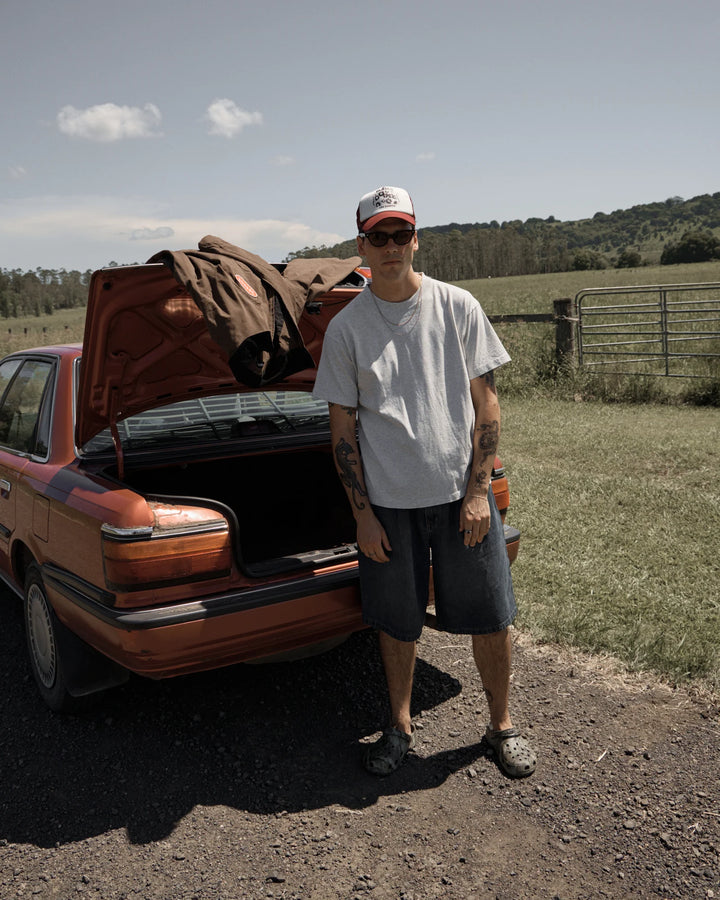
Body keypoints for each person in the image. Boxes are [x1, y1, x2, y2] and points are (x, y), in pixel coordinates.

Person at [312, 186, 536, 778]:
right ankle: (400, 728)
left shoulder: (457, 306)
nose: (391, 247)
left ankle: (501, 727)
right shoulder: (347, 329)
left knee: (491, 613)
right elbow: (342, 428)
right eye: (378, 237)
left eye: (401, 234)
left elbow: (486, 407)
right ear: (361, 244)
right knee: (395, 621)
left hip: (463, 501)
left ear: (416, 238)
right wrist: (362, 515)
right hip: (388, 509)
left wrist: (477, 492)